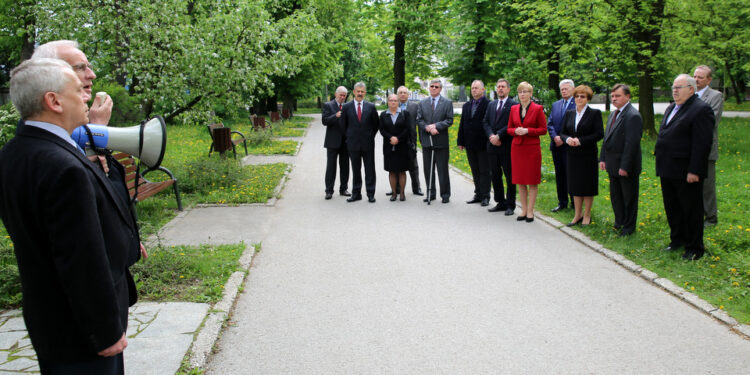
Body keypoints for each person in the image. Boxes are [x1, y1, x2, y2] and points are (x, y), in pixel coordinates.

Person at [0, 58, 140, 374]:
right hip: (82, 333)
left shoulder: (15, 152)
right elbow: (80, 260)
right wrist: (104, 332)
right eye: (78, 90)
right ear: (54, 101)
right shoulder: (64, 167)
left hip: (50, 320)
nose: (86, 97)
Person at [32, 40, 147, 260]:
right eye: (80, 68)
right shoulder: (44, 146)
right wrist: (97, 132)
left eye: (89, 66)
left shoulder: (73, 133)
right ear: (50, 74)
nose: (92, 75)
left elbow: (104, 198)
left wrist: (124, 237)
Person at [655, 74, 714, 260]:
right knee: (672, 207)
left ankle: (694, 247)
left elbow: (702, 143)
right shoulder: (673, 107)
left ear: (691, 88)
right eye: (673, 87)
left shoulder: (700, 109)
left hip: (686, 170)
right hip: (668, 167)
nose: (675, 91)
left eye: (679, 87)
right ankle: (677, 240)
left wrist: (694, 170)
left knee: (691, 209)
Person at [599, 84, 643, 236]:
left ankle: (629, 227)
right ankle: (619, 221)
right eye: (612, 96)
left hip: (626, 166)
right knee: (616, 195)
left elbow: (631, 144)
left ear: (627, 96)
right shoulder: (613, 114)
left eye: (617, 96)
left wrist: (625, 166)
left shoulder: (633, 115)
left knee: (628, 197)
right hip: (612, 163)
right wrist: (602, 158)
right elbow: (607, 138)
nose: (614, 99)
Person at [560, 85, 604, 226]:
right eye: (577, 96)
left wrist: (581, 141)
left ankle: (587, 214)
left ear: (588, 98)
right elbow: (563, 132)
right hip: (572, 155)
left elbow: (599, 134)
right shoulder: (570, 113)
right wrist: (567, 139)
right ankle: (577, 214)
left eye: (582, 96)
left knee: (587, 185)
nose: (579, 99)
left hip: (587, 155)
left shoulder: (594, 113)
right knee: (575, 185)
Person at [507, 82, 547, 222]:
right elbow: (509, 129)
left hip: (531, 149)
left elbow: (543, 129)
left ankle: (530, 211)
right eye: (520, 92)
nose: (522, 94)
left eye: (525, 92)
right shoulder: (513, 109)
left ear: (530, 93)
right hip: (517, 148)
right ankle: (523, 210)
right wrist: (516, 131)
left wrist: (528, 131)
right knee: (520, 181)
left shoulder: (537, 109)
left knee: (532, 181)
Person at [693, 65, 724, 227]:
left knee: (707, 185)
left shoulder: (715, 96)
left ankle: (711, 217)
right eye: (695, 77)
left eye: (701, 77)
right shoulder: (690, 94)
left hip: (706, 149)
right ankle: (696, 213)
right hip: (689, 149)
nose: (697, 80)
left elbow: (711, 121)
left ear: (709, 80)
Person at [483, 79, 518, 215]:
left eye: (503, 87)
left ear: (508, 89)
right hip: (492, 146)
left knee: (510, 176)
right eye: (498, 87)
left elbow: (512, 124)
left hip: (506, 145)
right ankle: (500, 202)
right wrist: (491, 136)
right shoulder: (491, 104)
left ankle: (510, 204)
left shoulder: (514, 105)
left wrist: (499, 136)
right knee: (495, 175)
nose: (500, 89)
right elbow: (485, 121)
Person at [417, 79, 454, 203]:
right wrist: (427, 127)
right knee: (428, 169)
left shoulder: (447, 103)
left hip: (441, 141)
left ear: (440, 89)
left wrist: (436, 126)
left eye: (436, 87)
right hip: (427, 141)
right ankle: (430, 193)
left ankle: (445, 195)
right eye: (431, 86)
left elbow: (449, 120)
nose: (433, 88)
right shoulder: (422, 103)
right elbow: (419, 120)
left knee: (442, 169)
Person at [342, 82, 379, 203]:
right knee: (355, 169)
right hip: (353, 144)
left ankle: (370, 193)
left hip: (368, 143)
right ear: (353, 92)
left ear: (365, 93)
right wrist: (349, 137)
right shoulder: (346, 107)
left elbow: (376, 125)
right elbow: (343, 125)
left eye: (362, 91)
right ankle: (356, 193)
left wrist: (369, 136)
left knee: (370, 169)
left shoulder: (371, 107)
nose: (360, 93)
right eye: (358, 91)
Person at [457, 80, 491, 206]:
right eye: (472, 88)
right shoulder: (467, 105)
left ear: (483, 89)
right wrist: (460, 141)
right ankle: (478, 194)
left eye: (476, 88)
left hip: (483, 143)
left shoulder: (489, 104)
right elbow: (462, 124)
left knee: (484, 171)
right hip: (470, 144)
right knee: (475, 170)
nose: (474, 90)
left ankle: (486, 195)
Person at [547, 79, 576, 212]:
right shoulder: (556, 105)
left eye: (567, 89)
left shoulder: (577, 104)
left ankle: (574, 202)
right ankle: (562, 201)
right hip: (556, 145)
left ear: (573, 90)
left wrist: (563, 139)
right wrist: (555, 137)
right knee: (560, 174)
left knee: (571, 174)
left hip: (569, 145)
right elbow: (550, 123)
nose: (564, 91)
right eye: (562, 89)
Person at [389, 85, 422, 196]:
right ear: (397, 95)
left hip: (410, 140)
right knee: (396, 165)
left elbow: (420, 122)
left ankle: (416, 188)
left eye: (404, 92)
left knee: (413, 166)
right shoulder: (393, 104)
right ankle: (395, 189)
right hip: (396, 141)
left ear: (408, 95)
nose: (402, 94)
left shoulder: (414, 106)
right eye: (400, 93)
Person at [321, 86, 351, 200]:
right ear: (336, 94)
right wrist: (335, 116)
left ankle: (343, 189)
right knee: (331, 167)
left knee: (345, 166)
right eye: (341, 95)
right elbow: (324, 121)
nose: (342, 97)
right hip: (332, 142)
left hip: (345, 142)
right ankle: (329, 191)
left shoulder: (348, 106)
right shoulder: (328, 105)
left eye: (344, 95)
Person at [379, 94, 411, 201]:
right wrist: (390, 138)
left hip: (402, 146)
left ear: (398, 102)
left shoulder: (405, 113)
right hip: (388, 146)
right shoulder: (383, 115)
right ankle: (393, 193)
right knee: (391, 171)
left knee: (402, 170)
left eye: (395, 100)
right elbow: (382, 130)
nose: (393, 102)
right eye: (391, 100)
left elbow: (407, 129)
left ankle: (402, 193)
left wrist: (398, 139)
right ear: (387, 102)